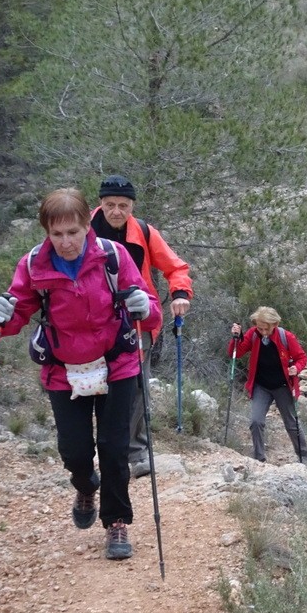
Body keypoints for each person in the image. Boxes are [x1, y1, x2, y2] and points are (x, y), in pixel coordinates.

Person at [0, 188, 160, 561]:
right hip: (64, 371)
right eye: (56, 234)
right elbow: (15, 315)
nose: (65, 242)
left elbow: (150, 310)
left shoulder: (114, 257)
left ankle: (116, 522)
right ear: (47, 232)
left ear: (87, 226)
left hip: (117, 365)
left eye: (73, 232)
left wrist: (144, 306)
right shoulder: (34, 265)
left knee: (115, 448)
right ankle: (85, 485)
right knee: (75, 450)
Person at [91, 174, 193, 479]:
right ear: (100, 204)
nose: (117, 211)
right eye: (110, 205)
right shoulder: (82, 230)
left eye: (123, 205)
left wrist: (180, 293)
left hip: (137, 321)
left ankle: (134, 453)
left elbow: (177, 267)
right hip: (91, 323)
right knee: (90, 385)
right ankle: (96, 450)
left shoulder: (145, 233)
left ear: (132, 205)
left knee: (136, 387)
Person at [229, 307, 307, 464]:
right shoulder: (253, 334)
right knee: (255, 421)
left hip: (282, 386)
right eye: (260, 328)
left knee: (291, 423)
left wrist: (296, 368)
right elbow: (236, 353)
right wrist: (236, 338)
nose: (263, 332)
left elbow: (302, 357)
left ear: (275, 324)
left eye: (266, 329)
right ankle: (259, 459)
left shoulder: (286, 337)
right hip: (262, 386)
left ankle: (305, 459)